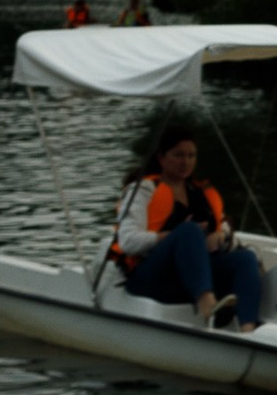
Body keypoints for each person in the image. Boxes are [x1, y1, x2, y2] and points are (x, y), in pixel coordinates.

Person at [112, 128, 265, 332]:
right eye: (178, 155)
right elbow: (128, 241)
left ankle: (249, 330)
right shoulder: (143, 190)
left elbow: (223, 223)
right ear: (161, 158)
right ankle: (207, 305)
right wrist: (168, 237)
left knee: (245, 258)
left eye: (191, 156)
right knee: (188, 231)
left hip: (187, 277)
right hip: (151, 277)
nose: (186, 162)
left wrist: (219, 235)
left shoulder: (197, 191)